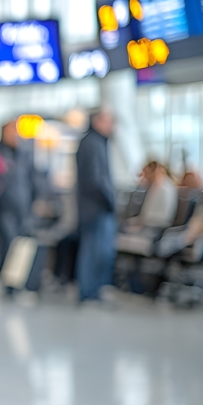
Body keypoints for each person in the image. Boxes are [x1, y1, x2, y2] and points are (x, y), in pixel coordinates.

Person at [75, 110, 117, 303]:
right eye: (109, 121)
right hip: (96, 208)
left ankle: (90, 291)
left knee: (92, 250)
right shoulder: (93, 144)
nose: (112, 127)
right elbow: (96, 179)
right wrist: (110, 200)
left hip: (89, 207)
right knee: (96, 251)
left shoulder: (90, 143)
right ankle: (90, 292)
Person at [0, 120, 40, 278]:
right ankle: (4, 279)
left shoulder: (24, 154)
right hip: (3, 208)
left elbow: (34, 179)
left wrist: (37, 199)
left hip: (23, 206)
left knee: (21, 245)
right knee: (7, 242)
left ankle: (15, 282)